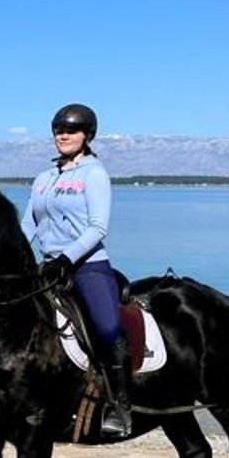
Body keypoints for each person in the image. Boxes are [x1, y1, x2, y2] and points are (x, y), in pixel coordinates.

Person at [21, 103, 132, 437]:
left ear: (88, 135)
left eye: (71, 130)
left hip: (86, 267)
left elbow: (98, 228)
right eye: (59, 130)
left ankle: (119, 408)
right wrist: (15, 256)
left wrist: (65, 260)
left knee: (107, 329)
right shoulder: (44, 179)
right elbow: (29, 224)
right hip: (47, 267)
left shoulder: (93, 174)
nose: (63, 135)